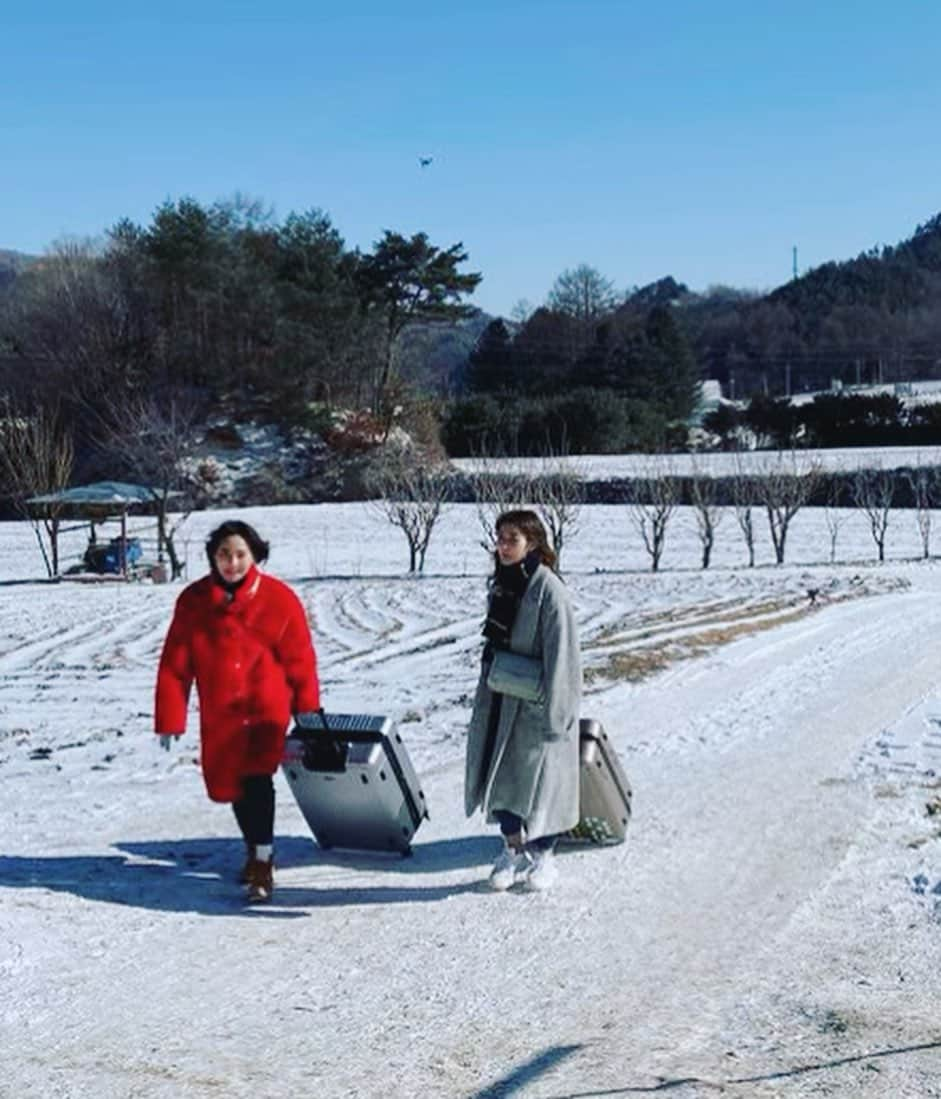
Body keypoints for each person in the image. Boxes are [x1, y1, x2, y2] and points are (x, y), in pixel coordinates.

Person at [155, 520, 320, 903]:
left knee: (258, 778)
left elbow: (300, 661)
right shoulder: (194, 602)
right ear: (213, 557)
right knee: (230, 784)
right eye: (224, 555)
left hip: (266, 709)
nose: (232, 563)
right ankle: (254, 848)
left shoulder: (279, 599)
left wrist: (307, 709)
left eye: (240, 554)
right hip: (220, 713)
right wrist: (169, 717)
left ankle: (263, 860)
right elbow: (175, 664)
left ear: (254, 555)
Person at [465, 509, 582, 892]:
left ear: (531, 542)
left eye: (511, 539)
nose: (502, 546)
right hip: (500, 697)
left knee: (540, 784)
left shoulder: (549, 589)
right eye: (499, 538)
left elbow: (564, 655)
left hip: (536, 703)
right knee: (502, 781)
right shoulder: (502, 584)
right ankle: (512, 850)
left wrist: (557, 715)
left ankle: (544, 858)